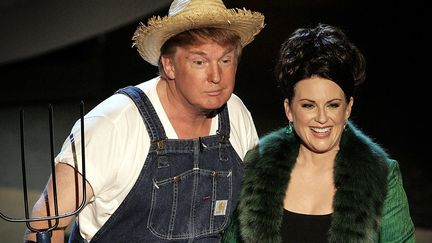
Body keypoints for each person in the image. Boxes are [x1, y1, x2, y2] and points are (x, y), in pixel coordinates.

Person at [24, 0, 264, 242]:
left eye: (225, 60)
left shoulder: (235, 113)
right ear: (169, 66)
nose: (216, 77)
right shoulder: (112, 124)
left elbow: (254, 208)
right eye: (199, 62)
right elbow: (44, 223)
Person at [222, 23, 415, 243]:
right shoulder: (255, 169)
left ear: (348, 108)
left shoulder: (382, 176)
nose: (322, 118)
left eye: (333, 105)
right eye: (308, 105)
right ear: (289, 109)